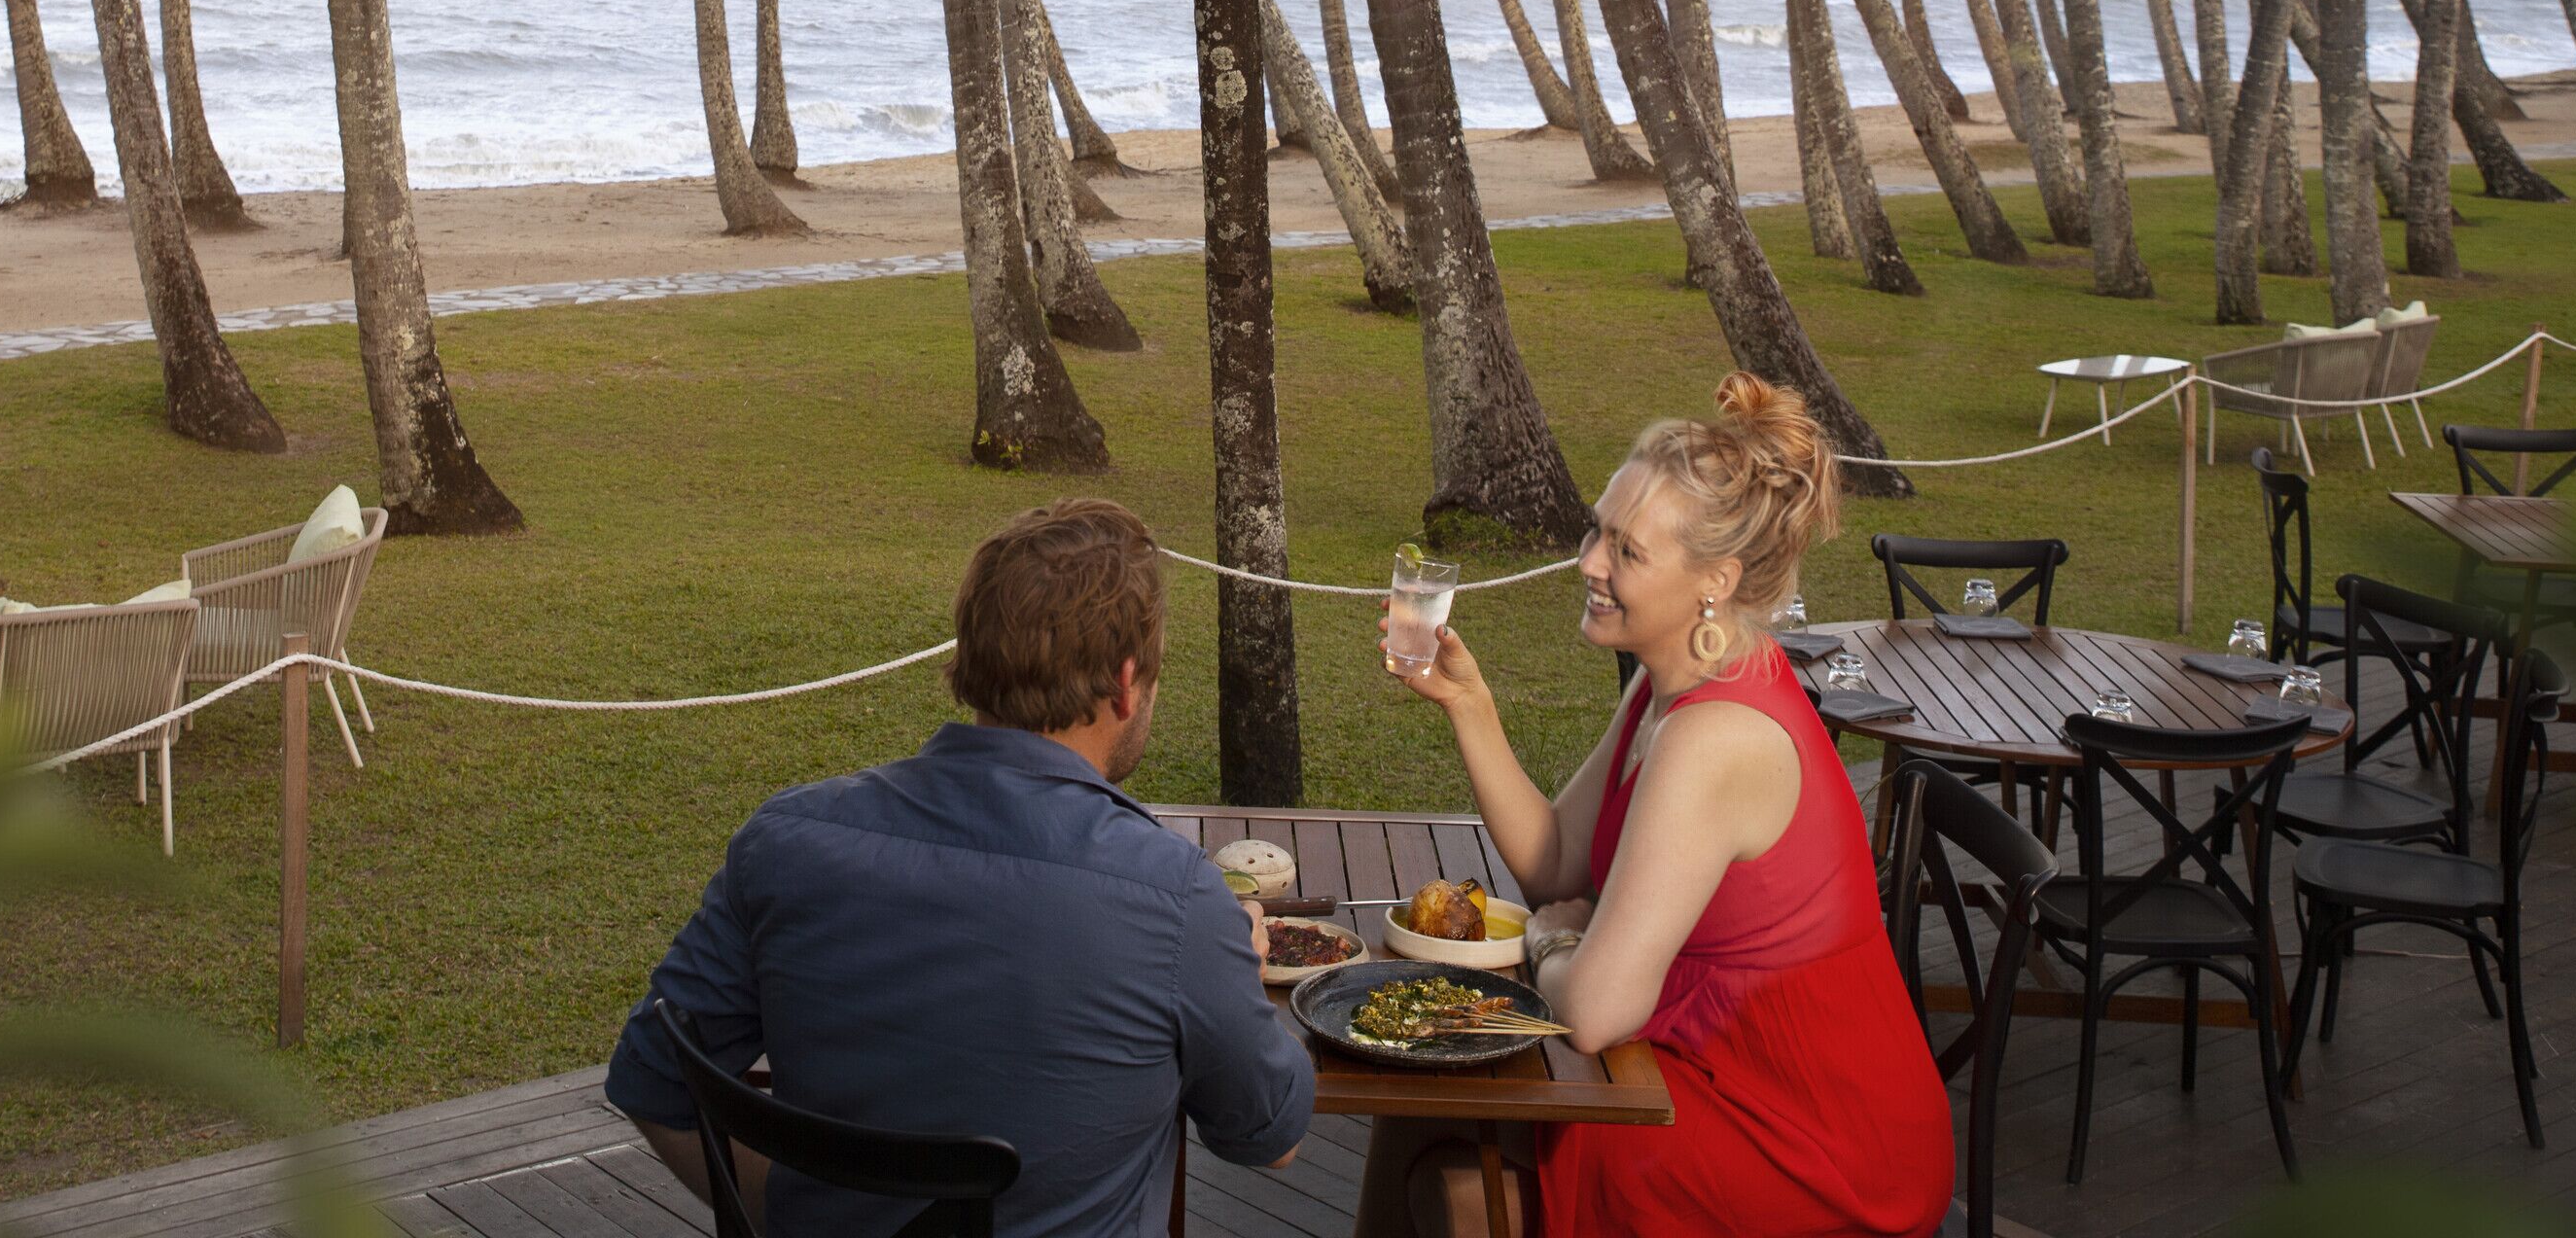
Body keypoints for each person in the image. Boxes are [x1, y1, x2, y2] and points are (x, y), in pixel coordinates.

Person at [607, 498, 1313, 1238]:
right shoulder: (1177, 900)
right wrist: (1238, 968)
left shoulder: (786, 841)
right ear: (1126, 682)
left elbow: (651, 1080)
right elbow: (1274, 1140)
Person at [1359, 375, 1952, 1238]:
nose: (1588, 562)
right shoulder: (1670, 683)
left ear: (1717, 579)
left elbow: (1596, 1010)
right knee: (1413, 1096)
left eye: (1626, 552)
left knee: (1459, 1192)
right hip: (1702, 1069)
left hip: (1814, 1147)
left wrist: (1556, 938)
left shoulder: (1715, 739)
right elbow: (1556, 859)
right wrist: (1469, 706)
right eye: (1600, 530)